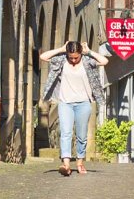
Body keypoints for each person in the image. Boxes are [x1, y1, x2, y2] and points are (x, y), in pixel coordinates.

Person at [40, 40, 109, 176]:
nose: (73, 60)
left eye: (76, 57)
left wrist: (88, 51)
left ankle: (79, 162)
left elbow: (104, 61)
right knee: (65, 133)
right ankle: (66, 164)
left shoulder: (87, 62)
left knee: (81, 135)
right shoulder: (61, 60)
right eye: (70, 57)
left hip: (83, 103)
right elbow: (43, 57)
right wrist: (60, 49)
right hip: (65, 103)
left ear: (80, 54)